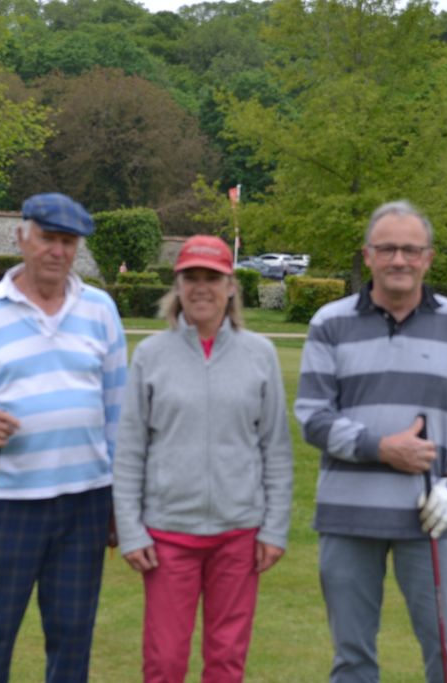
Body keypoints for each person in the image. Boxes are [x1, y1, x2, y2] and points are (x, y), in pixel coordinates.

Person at [294, 200, 447, 683]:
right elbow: (313, 417)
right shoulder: (330, 323)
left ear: (429, 258)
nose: (399, 260)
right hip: (348, 516)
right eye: (386, 249)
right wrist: (381, 448)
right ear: (367, 255)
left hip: (432, 516)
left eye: (411, 250)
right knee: (352, 661)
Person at [0, 192, 127, 683]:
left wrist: (119, 501)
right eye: (47, 238)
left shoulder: (101, 309)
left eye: (68, 242)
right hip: (7, 503)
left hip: (85, 504)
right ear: (22, 237)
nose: (57, 251)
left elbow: (117, 415)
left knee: (72, 639)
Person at [112, 235, 294, 683]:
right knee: (164, 661)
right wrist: (130, 530)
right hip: (168, 534)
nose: (200, 288)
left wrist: (274, 527)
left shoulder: (260, 354)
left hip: (239, 534)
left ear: (230, 286)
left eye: (211, 278)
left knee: (227, 661)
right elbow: (130, 450)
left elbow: (275, 449)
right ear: (177, 285)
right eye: (190, 277)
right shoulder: (151, 356)